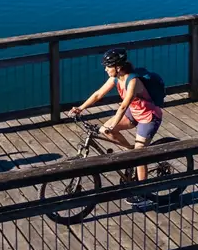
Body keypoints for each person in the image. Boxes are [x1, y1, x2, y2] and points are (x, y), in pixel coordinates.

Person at [68, 48, 163, 206]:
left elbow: (123, 106)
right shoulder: (115, 79)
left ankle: (143, 193)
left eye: (107, 66)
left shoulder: (133, 81)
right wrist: (80, 108)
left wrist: (113, 123)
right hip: (134, 113)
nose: (105, 69)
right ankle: (130, 151)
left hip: (149, 117)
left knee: (140, 156)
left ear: (118, 67)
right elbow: (98, 94)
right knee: (106, 131)